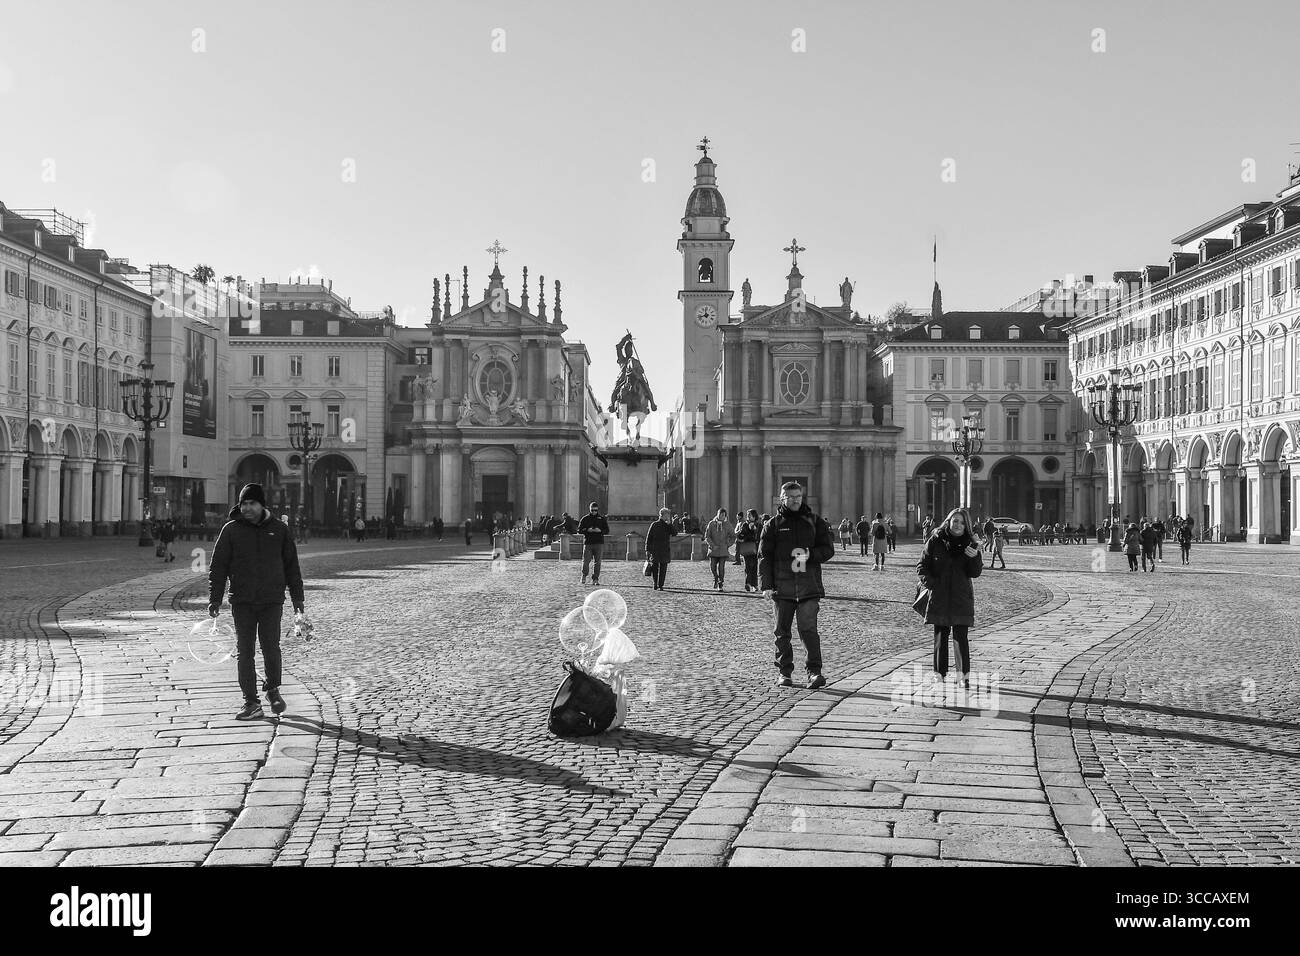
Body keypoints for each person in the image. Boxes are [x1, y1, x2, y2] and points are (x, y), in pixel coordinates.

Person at [207, 483, 305, 721]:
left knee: (271, 648)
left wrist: (298, 602)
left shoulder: (280, 530)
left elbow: (292, 568)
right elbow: (218, 567)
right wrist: (215, 599)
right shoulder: (231, 530)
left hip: (272, 601)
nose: (247, 508)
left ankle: (272, 688)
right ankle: (251, 702)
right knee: (245, 651)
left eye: (252, 503)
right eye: (244, 504)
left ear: (262, 505)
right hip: (242, 601)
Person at [759, 481, 834, 689]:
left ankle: (815, 672)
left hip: (808, 586)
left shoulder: (814, 522)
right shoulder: (772, 525)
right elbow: (764, 556)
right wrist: (766, 585)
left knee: (809, 630)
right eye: (790, 497)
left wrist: (811, 555)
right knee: (782, 632)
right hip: (782, 588)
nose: (795, 500)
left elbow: (828, 550)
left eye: (798, 497)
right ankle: (784, 672)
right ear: (781, 498)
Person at [916, 507, 983, 688]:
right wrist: (931, 583)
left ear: (966, 525)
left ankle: (963, 677)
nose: (958, 525)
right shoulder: (936, 540)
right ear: (948, 521)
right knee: (941, 635)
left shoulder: (971, 543)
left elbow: (975, 572)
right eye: (955, 521)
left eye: (962, 522)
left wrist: (974, 557)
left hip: (961, 596)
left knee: (961, 637)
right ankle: (939, 674)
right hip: (940, 594)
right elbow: (922, 565)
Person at [645, 507, 678, 590]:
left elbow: (674, 533)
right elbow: (649, 537)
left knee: (661, 568)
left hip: (661, 549)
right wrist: (647, 550)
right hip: (657, 549)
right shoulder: (655, 524)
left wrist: (670, 524)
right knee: (656, 568)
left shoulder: (667, 525)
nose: (668, 516)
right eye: (668, 514)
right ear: (664, 515)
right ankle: (657, 584)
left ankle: (659, 584)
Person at [578, 501, 610, 586]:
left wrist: (600, 531)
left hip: (599, 542)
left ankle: (595, 579)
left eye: (595, 510)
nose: (594, 512)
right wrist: (587, 530)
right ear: (590, 509)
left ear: (597, 509)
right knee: (585, 561)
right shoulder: (585, 519)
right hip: (588, 542)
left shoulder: (602, 519)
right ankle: (584, 575)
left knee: (598, 562)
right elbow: (579, 530)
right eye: (592, 510)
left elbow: (607, 530)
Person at [704, 508, 735, 590]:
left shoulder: (727, 524)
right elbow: (707, 536)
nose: (721, 516)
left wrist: (728, 544)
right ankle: (716, 578)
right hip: (713, 549)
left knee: (721, 567)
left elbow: (733, 536)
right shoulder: (711, 524)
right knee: (712, 567)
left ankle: (721, 583)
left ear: (725, 516)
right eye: (720, 514)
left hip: (723, 549)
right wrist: (712, 545)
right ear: (717, 514)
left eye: (723, 515)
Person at [735, 509, 762, 592]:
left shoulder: (759, 525)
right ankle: (748, 583)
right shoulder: (745, 525)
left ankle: (755, 585)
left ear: (754, 516)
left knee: (754, 566)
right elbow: (741, 535)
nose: (748, 517)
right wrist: (745, 534)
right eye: (748, 515)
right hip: (747, 548)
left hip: (756, 549)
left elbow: (760, 536)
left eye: (750, 515)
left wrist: (754, 530)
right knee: (747, 566)